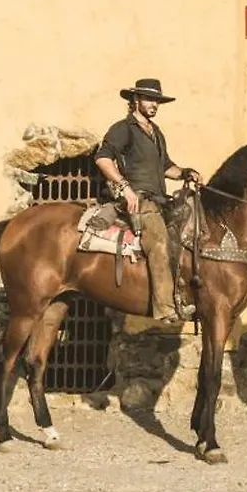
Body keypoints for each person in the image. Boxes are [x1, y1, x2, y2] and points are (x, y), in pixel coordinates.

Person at [93, 78, 200, 324]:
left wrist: (185, 172)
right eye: (150, 99)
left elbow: (166, 167)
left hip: (161, 199)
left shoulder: (156, 132)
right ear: (135, 101)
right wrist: (124, 188)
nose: (155, 105)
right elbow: (102, 159)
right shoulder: (123, 128)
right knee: (159, 239)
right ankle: (165, 307)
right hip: (138, 200)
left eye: (157, 101)